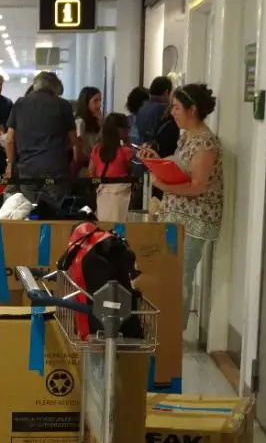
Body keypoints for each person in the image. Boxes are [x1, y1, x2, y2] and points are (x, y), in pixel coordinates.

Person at [141, 84, 224, 329]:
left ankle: (175, 330)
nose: (173, 113)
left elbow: (197, 185)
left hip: (195, 219)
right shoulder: (186, 136)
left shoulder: (206, 144)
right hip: (176, 214)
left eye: (176, 107)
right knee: (170, 272)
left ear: (193, 110)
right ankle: (166, 324)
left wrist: (165, 186)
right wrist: (156, 163)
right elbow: (180, 167)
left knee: (181, 274)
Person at [3, 71, 77, 215]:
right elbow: (73, 140)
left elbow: (9, 140)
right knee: (55, 214)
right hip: (55, 169)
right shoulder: (63, 105)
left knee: (27, 212)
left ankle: (29, 238)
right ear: (55, 88)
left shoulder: (20, 103)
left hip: (27, 169)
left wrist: (10, 163)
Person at [89, 112, 135, 222]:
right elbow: (131, 171)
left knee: (103, 226)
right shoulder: (125, 151)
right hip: (121, 196)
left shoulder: (96, 149)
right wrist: (127, 142)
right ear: (121, 130)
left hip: (102, 195)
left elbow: (91, 173)